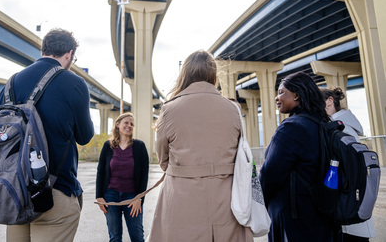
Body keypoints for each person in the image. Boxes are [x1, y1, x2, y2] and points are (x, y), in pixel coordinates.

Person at [148, 50, 253, 242]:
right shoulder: (233, 109)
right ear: (213, 75)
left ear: (185, 74)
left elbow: (163, 159)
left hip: (183, 196)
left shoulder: (169, 110)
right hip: (227, 198)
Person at [1, 28, 95, 242]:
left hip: (15, 192)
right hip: (55, 190)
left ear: (42, 50)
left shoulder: (11, 83)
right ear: (69, 54)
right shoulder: (74, 83)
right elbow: (84, 136)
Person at [259, 71, 340, 242]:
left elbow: (270, 175)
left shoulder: (291, 128)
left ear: (296, 95)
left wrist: (257, 203)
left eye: (281, 92)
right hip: (321, 217)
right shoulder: (321, 124)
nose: (276, 97)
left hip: (294, 220)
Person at [321, 87, 376, 242]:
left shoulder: (341, 130)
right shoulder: (345, 126)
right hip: (353, 213)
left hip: (348, 215)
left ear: (329, 101)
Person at [96, 112, 149, 242]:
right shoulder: (108, 146)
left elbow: (144, 175)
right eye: (126, 122)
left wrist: (139, 199)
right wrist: (99, 196)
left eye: (132, 124)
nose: (129, 126)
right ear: (118, 125)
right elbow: (101, 171)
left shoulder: (139, 146)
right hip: (110, 195)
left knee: (137, 237)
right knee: (115, 237)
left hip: (132, 197)